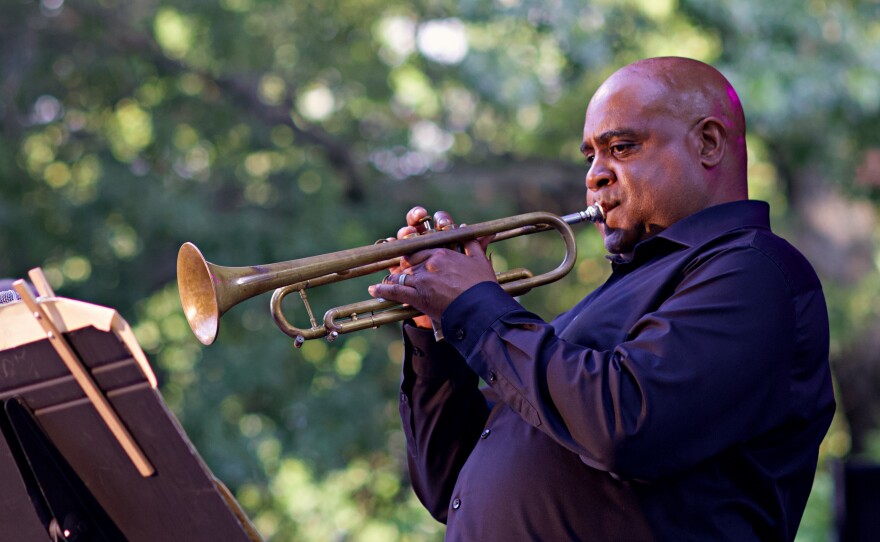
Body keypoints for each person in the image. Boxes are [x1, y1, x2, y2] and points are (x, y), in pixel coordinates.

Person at [368, 57, 835, 541]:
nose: (595, 175)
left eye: (622, 147)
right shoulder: (605, 303)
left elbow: (627, 427)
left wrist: (475, 305)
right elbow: (448, 484)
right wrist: (438, 334)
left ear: (708, 143)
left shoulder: (756, 271)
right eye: (589, 155)